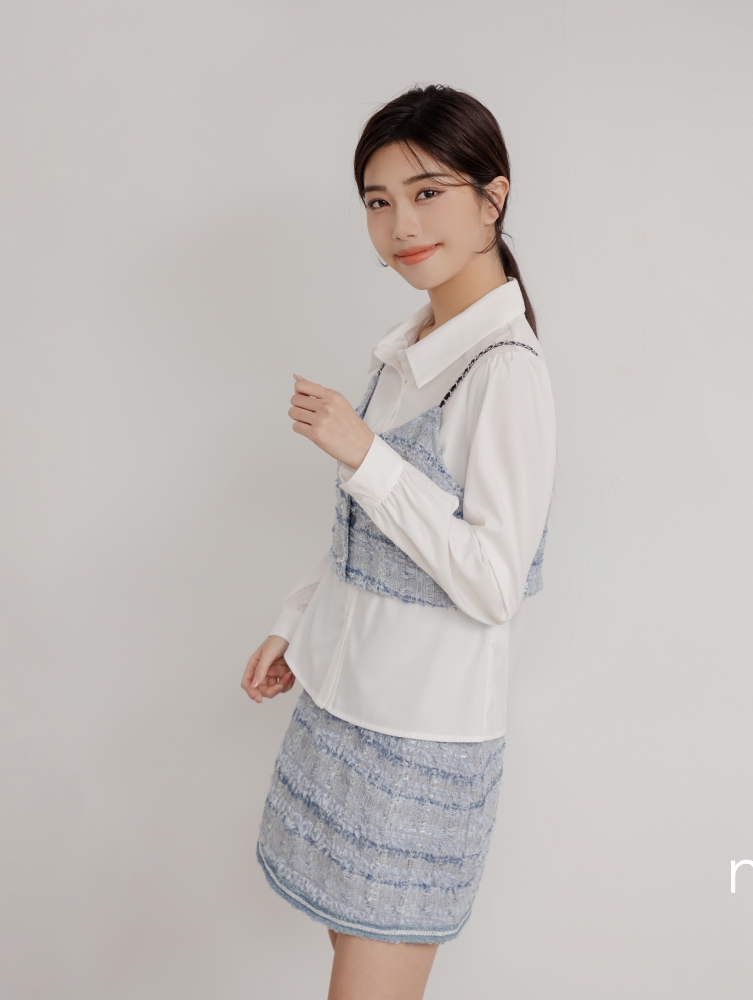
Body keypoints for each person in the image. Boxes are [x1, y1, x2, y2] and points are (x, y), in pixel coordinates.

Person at [241, 84, 557, 1000]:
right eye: (378, 202)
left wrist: (365, 452)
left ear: (493, 198)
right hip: (343, 706)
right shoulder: (411, 348)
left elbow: (493, 583)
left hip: (421, 738)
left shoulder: (507, 371)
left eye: (427, 193)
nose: (400, 225)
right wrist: (296, 623)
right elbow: (369, 525)